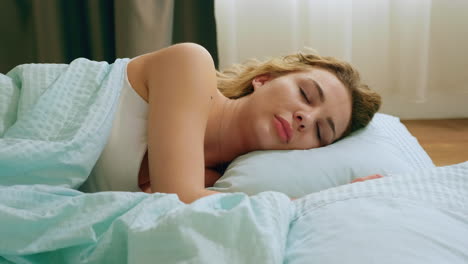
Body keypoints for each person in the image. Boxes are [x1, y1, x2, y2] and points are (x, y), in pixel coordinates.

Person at [81, 42, 382, 203]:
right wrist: (331, 199)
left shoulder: (212, 181)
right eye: (305, 94)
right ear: (263, 79)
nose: (306, 118)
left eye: (320, 131)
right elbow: (176, 198)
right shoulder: (190, 64)